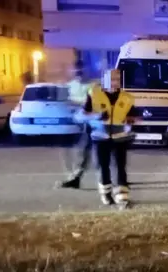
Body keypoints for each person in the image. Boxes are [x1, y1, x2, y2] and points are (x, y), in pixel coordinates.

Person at [77, 68, 137, 209]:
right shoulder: (94, 94)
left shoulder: (127, 97)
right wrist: (96, 116)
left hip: (120, 138)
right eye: (112, 80)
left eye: (117, 80)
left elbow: (132, 115)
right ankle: (106, 194)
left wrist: (131, 121)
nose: (115, 83)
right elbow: (81, 115)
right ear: (105, 81)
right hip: (100, 138)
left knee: (120, 168)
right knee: (103, 167)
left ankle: (122, 198)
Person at [57, 67, 96, 189]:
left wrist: (77, 103)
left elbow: (89, 104)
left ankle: (76, 177)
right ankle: (74, 177)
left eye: (81, 72)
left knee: (85, 150)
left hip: (87, 123)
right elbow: (63, 100)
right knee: (71, 151)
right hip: (72, 120)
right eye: (77, 72)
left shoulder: (93, 86)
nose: (79, 75)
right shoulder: (70, 85)